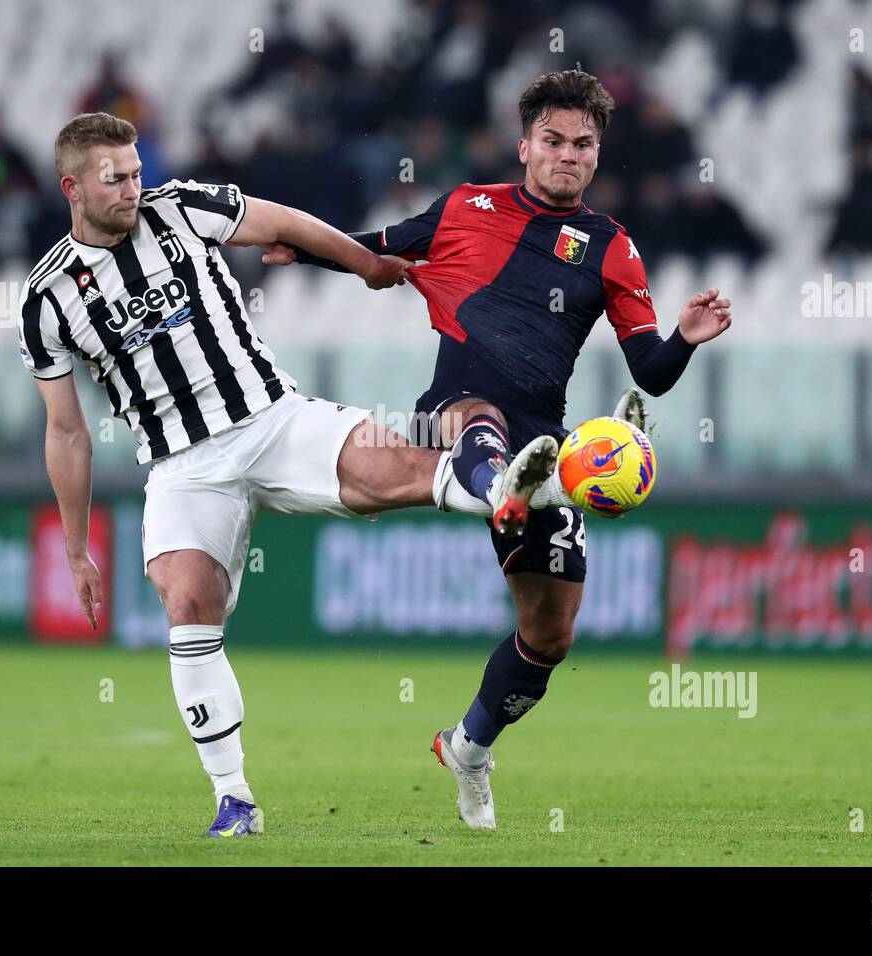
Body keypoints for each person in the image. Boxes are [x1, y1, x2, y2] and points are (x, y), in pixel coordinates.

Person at [16, 112, 563, 839]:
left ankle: (510, 491)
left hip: (274, 419)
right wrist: (77, 547)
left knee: (393, 469)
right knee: (188, 605)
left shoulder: (178, 207)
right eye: (114, 178)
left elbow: (286, 221)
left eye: (135, 171)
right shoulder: (46, 298)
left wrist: (366, 263)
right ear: (72, 188)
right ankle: (235, 799)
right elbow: (66, 429)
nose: (131, 187)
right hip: (183, 467)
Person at [272, 70, 733, 828]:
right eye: (553, 141)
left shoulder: (613, 248)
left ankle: (468, 748)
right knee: (473, 421)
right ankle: (499, 486)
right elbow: (375, 250)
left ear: (597, 154)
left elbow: (648, 371)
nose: (568, 156)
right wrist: (301, 247)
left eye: (583, 145)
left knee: (549, 636)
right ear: (524, 145)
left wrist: (684, 337)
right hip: (452, 415)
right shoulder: (464, 207)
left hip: (546, 447)